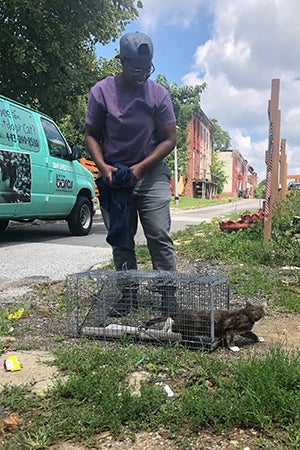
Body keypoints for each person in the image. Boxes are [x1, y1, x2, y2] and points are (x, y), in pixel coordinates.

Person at [85, 31, 177, 315]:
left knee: (159, 234)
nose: (142, 73)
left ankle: (168, 294)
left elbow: (170, 138)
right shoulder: (101, 92)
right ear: (121, 62)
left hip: (150, 172)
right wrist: (103, 168)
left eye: (147, 67)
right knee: (121, 237)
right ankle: (128, 294)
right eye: (136, 67)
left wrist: (140, 168)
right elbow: (91, 135)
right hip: (115, 175)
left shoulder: (158, 94)